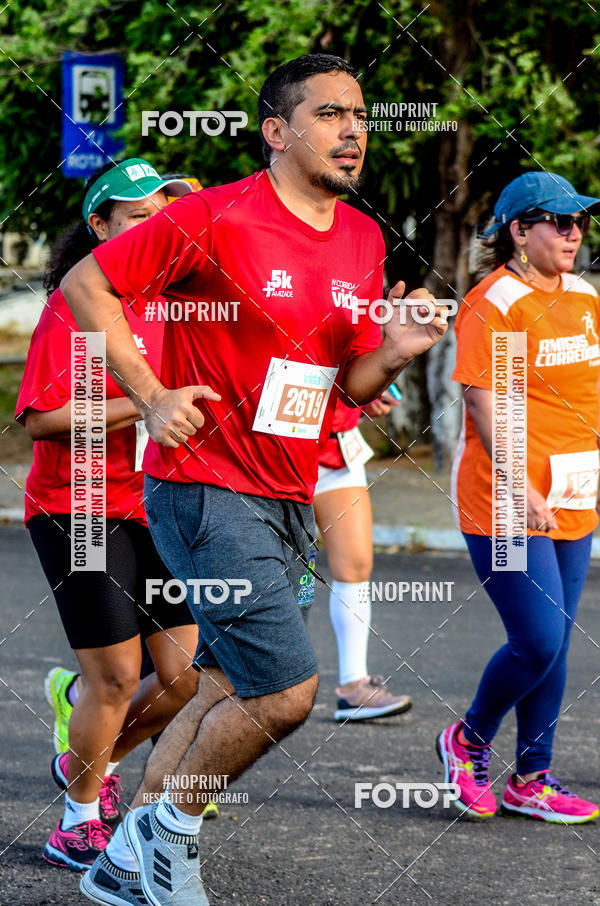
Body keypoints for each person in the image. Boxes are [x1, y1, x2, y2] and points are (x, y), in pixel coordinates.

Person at [62, 54, 448, 906]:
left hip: (288, 488)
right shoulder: (215, 216)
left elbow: (338, 390)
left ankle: (130, 860)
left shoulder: (360, 235)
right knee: (286, 693)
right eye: (330, 114)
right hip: (203, 483)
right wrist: (153, 395)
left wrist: (392, 353)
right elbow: (87, 283)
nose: (354, 130)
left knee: (229, 683)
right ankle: (167, 841)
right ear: (277, 132)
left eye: (361, 115)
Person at [16, 158, 201, 872]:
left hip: (159, 504)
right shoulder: (78, 304)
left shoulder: (184, 301)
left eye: (167, 217)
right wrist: (151, 398)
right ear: (100, 227)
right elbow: (42, 419)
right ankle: (79, 820)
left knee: (187, 676)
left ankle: (89, 756)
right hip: (82, 506)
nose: (158, 229)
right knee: (119, 677)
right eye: (138, 216)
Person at [439, 170, 600, 823]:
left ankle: (532, 778)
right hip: (507, 499)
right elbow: (486, 405)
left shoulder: (586, 297)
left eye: (580, 221)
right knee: (534, 640)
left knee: (556, 642)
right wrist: (521, 487)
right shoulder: (496, 301)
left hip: (574, 493)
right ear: (519, 230)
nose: (574, 233)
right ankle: (466, 741)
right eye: (559, 222)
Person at [314, 392, 413, 720]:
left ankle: (353, 684)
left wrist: (364, 391)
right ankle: (224, 684)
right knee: (265, 571)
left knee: (355, 564)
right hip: (267, 445)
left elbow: (358, 358)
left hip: (334, 443)